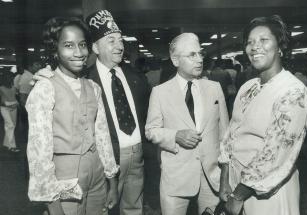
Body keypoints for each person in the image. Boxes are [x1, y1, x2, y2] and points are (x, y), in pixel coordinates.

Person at [218, 15, 307, 215]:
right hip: (236, 185)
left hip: (267, 189)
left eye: (263, 40)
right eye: (250, 42)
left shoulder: (293, 92)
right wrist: (225, 180)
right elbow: (230, 136)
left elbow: (276, 153)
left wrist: (238, 196)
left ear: (280, 46)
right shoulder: (247, 87)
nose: (255, 47)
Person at [26, 17, 119, 215]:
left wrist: (112, 182)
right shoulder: (45, 88)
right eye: (68, 45)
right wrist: (52, 204)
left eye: (82, 45)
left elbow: (103, 138)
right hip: (63, 179)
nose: (78, 53)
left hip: (97, 177)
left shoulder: (93, 88)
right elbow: (39, 152)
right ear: (55, 50)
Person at [145, 33, 229, 215]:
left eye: (200, 54)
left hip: (211, 177)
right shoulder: (160, 93)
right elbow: (151, 130)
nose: (199, 60)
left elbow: (225, 135)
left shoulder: (214, 88)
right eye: (192, 55)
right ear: (175, 60)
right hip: (176, 178)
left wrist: (225, 176)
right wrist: (175, 136)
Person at [85, 10, 150, 215]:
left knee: (134, 207)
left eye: (120, 40)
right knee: (105, 209)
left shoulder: (136, 77)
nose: (120, 46)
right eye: (111, 40)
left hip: (137, 153)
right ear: (95, 47)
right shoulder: (86, 81)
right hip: (107, 160)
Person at [0, 69, 19, 152]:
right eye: (8, 77)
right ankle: (12, 146)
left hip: (14, 108)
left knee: (12, 126)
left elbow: (15, 97)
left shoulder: (13, 87)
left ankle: (6, 143)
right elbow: (1, 102)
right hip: (5, 108)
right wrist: (9, 104)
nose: (10, 79)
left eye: (11, 77)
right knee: (10, 125)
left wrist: (16, 104)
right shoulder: (0, 88)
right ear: (4, 78)